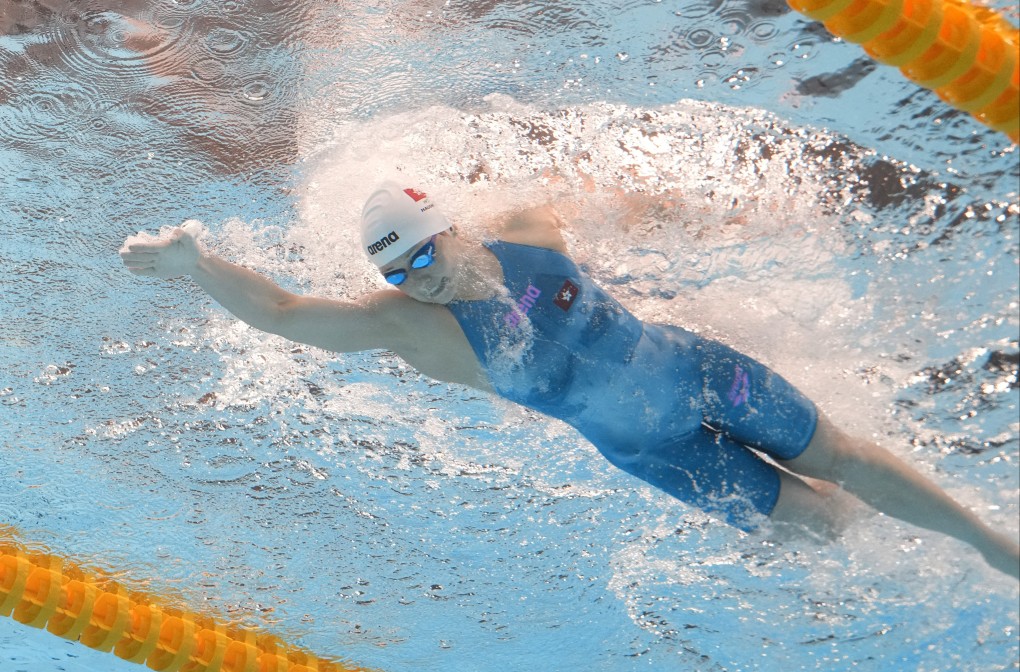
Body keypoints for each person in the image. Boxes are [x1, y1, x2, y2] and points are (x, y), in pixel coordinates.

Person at [120, 181, 1020, 580]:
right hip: (653, 450)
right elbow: (282, 315)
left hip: (708, 376)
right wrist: (197, 266)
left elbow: (621, 201)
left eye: (422, 252)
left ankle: (987, 542)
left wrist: (709, 221)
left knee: (848, 458)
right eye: (397, 270)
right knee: (824, 526)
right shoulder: (412, 330)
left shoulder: (528, 232)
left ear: (451, 226)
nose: (418, 277)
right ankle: (915, 562)